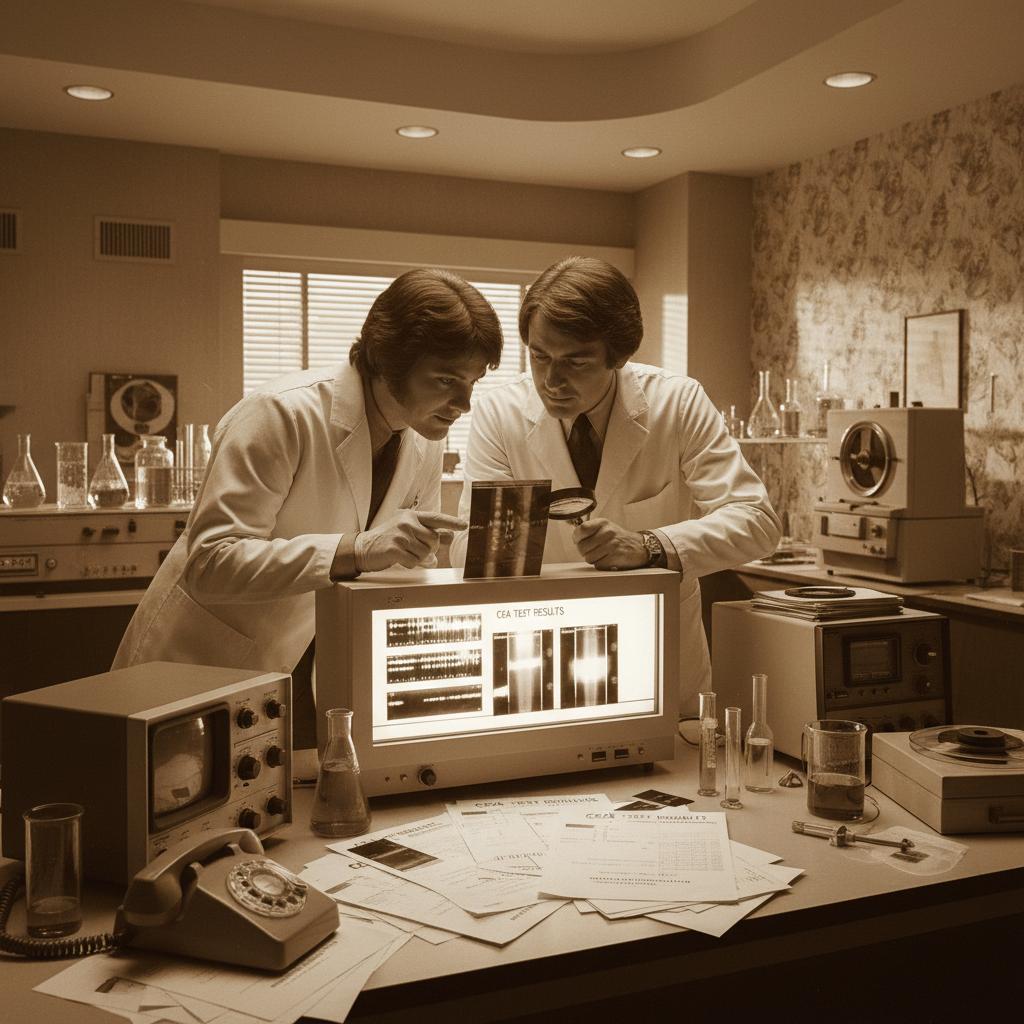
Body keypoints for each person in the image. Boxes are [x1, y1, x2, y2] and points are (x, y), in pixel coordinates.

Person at [113, 267, 503, 675]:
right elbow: (211, 563)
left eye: (473, 382)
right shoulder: (280, 413)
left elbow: (407, 564)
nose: (464, 404)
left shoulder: (425, 437)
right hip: (192, 660)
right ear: (388, 359)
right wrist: (356, 549)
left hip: (300, 659)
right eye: (446, 380)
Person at [449, 256, 780, 705]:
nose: (551, 381)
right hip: (540, 649)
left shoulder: (677, 403)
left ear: (619, 356)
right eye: (539, 356)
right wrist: (500, 537)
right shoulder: (499, 413)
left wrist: (650, 546)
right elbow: (467, 549)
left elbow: (757, 523)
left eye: (576, 362)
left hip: (657, 646)